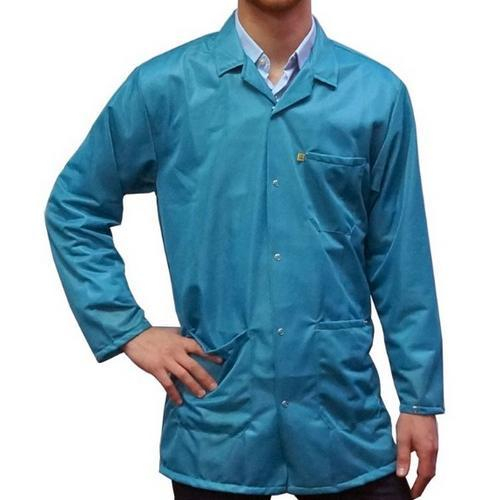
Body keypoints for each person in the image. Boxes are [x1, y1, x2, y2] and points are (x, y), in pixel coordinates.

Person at [44, 1, 445, 499]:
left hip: (343, 416)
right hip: (218, 415)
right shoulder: (164, 88)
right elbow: (75, 207)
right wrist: (128, 330)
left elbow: (400, 257)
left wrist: (419, 399)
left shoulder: (375, 95)